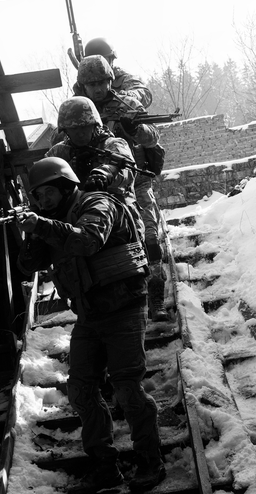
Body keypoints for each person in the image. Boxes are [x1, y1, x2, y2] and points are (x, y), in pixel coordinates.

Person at [16, 157, 166, 492]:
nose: (44, 202)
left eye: (49, 193)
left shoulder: (98, 203)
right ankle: (104, 464)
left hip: (125, 308)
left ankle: (150, 460)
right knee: (82, 391)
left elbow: (88, 240)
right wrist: (34, 230)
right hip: (90, 315)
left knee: (127, 388)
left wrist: (41, 224)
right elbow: (28, 265)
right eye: (38, 197)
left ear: (66, 185)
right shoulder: (52, 221)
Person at [75, 55, 170, 321]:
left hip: (136, 179)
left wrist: (135, 129)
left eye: (101, 82)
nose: (97, 88)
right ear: (83, 86)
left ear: (110, 80)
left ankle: (157, 298)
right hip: (101, 185)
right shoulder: (80, 108)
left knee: (149, 236)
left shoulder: (127, 103)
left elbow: (154, 138)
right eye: (91, 84)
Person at [46, 96, 144, 240]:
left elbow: (128, 170)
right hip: (77, 223)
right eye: (74, 128)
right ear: (65, 130)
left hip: (120, 222)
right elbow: (44, 183)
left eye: (84, 126)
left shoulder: (113, 144)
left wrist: (105, 174)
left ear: (95, 124)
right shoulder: (58, 153)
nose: (80, 132)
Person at [74, 37, 152, 109]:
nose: (99, 64)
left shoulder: (121, 77)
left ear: (111, 60)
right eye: (92, 85)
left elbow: (144, 93)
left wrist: (130, 96)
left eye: (103, 60)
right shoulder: (82, 86)